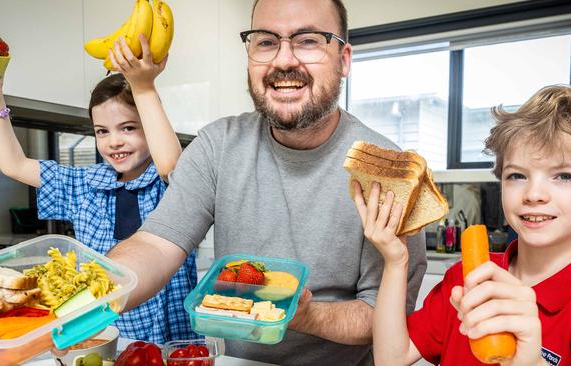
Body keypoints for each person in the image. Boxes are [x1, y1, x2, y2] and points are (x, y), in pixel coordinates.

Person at [107, 0, 427, 364]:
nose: (283, 60)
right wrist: (96, 289)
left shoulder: (388, 172)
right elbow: (156, 244)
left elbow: (384, 318)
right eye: (266, 41)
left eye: (308, 40)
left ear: (344, 59)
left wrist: (301, 314)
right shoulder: (217, 145)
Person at [0, 36, 199, 343]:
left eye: (128, 127)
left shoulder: (174, 184)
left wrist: (145, 88)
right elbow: (14, 165)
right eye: (102, 131)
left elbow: (169, 164)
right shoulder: (82, 185)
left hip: (177, 344)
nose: (113, 141)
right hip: (101, 338)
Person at [354, 84, 571, 366]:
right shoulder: (464, 278)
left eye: (564, 176)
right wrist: (396, 261)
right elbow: (390, 358)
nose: (533, 194)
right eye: (517, 176)